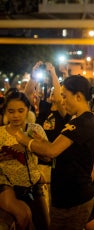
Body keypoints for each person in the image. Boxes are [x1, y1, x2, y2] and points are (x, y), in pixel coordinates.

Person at [14, 75, 94, 230]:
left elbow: (52, 151)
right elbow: (58, 152)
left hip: (74, 200)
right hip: (64, 198)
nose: (61, 100)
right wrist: (40, 143)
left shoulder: (82, 122)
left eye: (64, 96)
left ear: (78, 96)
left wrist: (24, 140)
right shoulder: (77, 119)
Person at [0, 90, 50, 230]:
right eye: (11, 111)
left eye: (20, 111)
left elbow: (47, 157)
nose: (15, 115)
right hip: (8, 188)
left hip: (33, 187)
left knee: (45, 225)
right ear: (5, 112)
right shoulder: (1, 133)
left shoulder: (35, 130)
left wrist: (31, 146)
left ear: (27, 110)